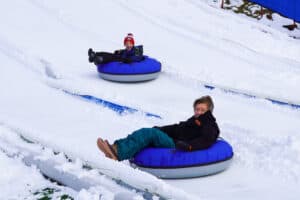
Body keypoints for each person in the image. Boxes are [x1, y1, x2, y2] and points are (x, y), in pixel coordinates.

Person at [97, 95, 220, 161]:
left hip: (178, 145)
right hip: (175, 140)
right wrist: (160, 129)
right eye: (197, 109)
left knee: (149, 133)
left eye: (202, 110)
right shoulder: (194, 120)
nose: (198, 112)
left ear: (209, 111)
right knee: (146, 131)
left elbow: (206, 140)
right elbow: (177, 128)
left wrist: (189, 146)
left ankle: (118, 153)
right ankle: (115, 147)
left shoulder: (209, 124)